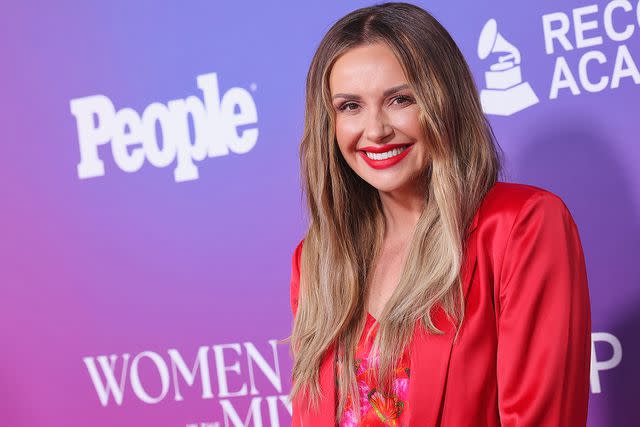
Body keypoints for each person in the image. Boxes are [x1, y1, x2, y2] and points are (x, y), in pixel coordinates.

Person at [287, 2, 591, 426]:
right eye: (350, 106)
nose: (375, 130)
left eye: (400, 99)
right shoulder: (317, 260)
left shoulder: (521, 226)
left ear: (444, 100)